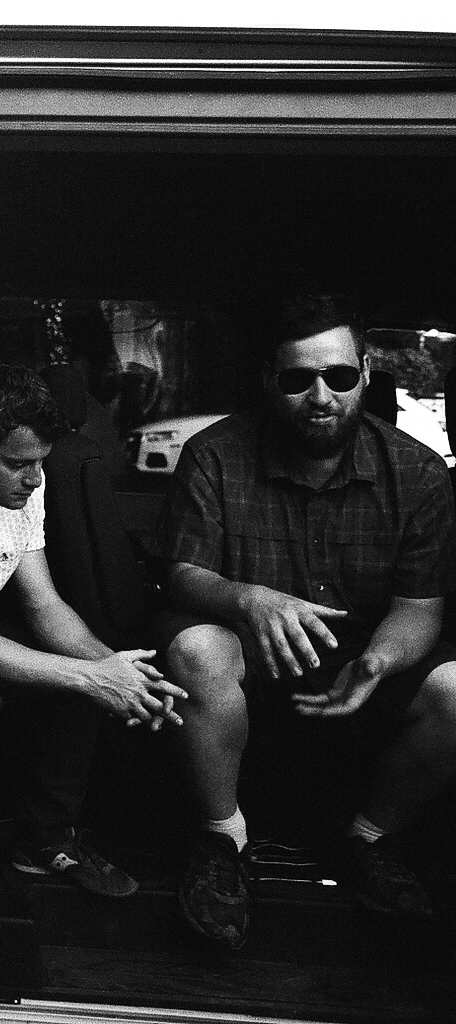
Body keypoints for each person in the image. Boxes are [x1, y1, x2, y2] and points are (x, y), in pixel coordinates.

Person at [155, 295, 456, 951]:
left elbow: (418, 610)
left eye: (338, 376)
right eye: (298, 379)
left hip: (361, 673)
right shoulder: (214, 454)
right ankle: (222, 840)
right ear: (269, 379)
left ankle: (369, 840)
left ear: (365, 372)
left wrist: (380, 659)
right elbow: (182, 573)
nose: (320, 397)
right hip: (251, 664)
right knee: (194, 648)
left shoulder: (418, 473)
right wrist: (248, 600)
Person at [0, 364, 184, 963]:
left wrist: (117, 670)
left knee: (87, 666)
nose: (35, 478)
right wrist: (91, 676)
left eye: (41, 462)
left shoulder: (24, 489)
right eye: (18, 463)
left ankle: (44, 838)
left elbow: (44, 606)